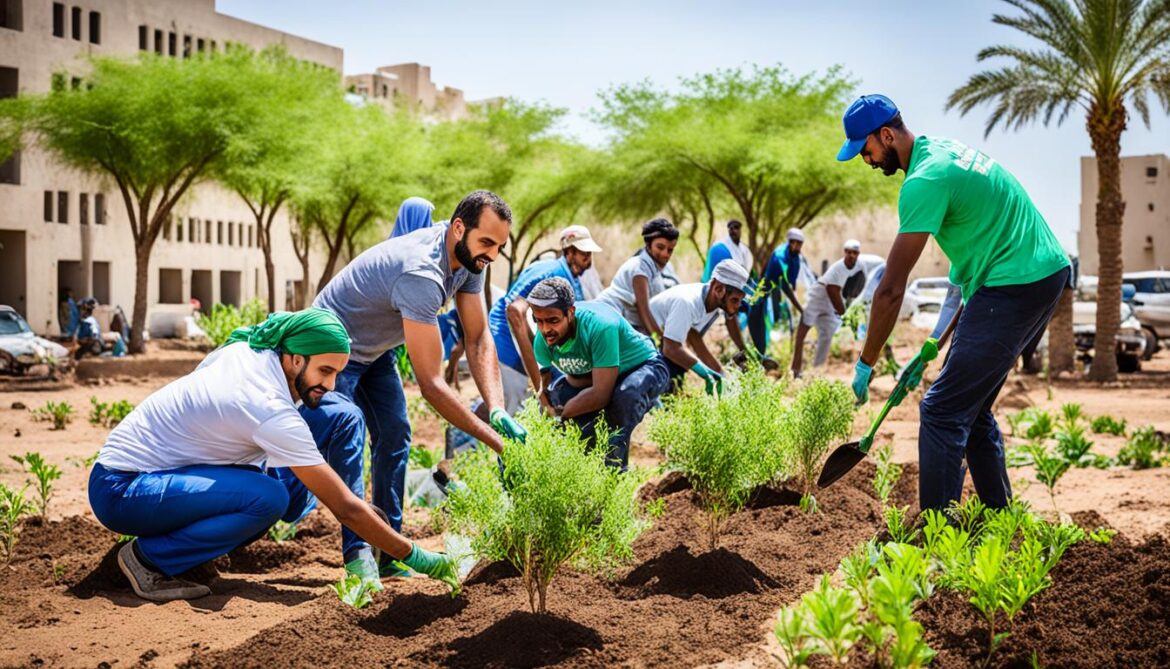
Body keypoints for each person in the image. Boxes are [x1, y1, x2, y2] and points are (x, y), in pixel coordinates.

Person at [87, 309, 460, 602]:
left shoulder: (255, 349)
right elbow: (345, 507)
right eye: (324, 371)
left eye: (337, 373)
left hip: (163, 474)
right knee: (268, 499)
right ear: (295, 359)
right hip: (123, 489)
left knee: (343, 413)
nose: (329, 385)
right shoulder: (267, 406)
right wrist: (417, 556)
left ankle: (190, 557)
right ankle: (147, 559)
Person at [839, 94, 1070, 512]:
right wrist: (932, 345)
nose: (867, 160)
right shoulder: (944, 151)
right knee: (972, 407)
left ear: (886, 135)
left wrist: (866, 363)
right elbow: (965, 277)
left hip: (1015, 282)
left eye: (866, 149)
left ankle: (937, 538)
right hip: (1038, 273)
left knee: (942, 410)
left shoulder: (924, 180)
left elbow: (891, 290)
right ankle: (1001, 520)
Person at [309, 190, 526, 579]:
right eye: (487, 243)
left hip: (374, 351)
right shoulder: (421, 273)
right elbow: (430, 384)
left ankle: (389, 552)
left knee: (395, 433)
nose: (492, 255)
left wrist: (496, 410)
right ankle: (359, 557)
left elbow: (477, 338)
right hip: (330, 350)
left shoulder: (470, 260)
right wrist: (498, 444)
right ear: (459, 227)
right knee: (346, 440)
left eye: (499, 246)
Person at [531, 278, 670, 471]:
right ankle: (585, 472)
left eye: (553, 320)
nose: (546, 329)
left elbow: (600, 395)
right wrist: (548, 406)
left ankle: (614, 476)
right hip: (600, 375)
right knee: (560, 403)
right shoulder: (543, 340)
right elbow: (543, 385)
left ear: (570, 313)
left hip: (643, 368)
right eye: (539, 321)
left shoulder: (600, 326)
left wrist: (563, 414)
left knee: (623, 400)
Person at [488, 225, 601, 413]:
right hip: (507, 342)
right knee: (514, 409)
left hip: (518, 344)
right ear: (569, 252)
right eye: (584, 254)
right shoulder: (553, 274)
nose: (588, 261)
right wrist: (538, 379)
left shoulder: (565, 275)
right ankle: (465, 439)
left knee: (509, 403)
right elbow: (515, 312)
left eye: (590, 254)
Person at [650, 259, 751, 393]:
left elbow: (694, 337)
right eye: (734, 300)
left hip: (662, 344)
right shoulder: (687, 302)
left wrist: (721, 374)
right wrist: (705, 373)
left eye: (740, 300)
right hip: (644, 344)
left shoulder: (713, 302)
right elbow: (671, 348)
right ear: (718, 288)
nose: (738, 306)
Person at [791, 240, 865, 377]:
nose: (851, 255)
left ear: (858, 254)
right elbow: (831, 289)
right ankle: (795, 370)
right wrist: (844, 313)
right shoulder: (838, 268)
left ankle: (816, 372)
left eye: (854, 253)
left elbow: (856, 286)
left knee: (827, 335)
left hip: (833, 301)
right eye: (848, 252)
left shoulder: (860, 267)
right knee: (803, 331)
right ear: (845, 252)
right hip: (819, 296)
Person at [595, 218, 679, 337]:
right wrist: (661, 341)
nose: (665, 254)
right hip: (607, 318)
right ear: (648, 245)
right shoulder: (639, 269)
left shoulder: (655, 270)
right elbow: (644, 311)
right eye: (660, 247)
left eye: (670, 250)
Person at [749, 229, 806, 355]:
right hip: (765, 292)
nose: (796, 246)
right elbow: (786, 287)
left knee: (771, 327)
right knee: (758, 324)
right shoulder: (780, 257)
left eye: (799, 243)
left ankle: (763, 355)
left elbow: (791, 282)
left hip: (776, 290)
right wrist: (801, 310)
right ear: (789, 242)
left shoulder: (795, 256)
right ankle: (758, 356)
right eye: (794, 243)